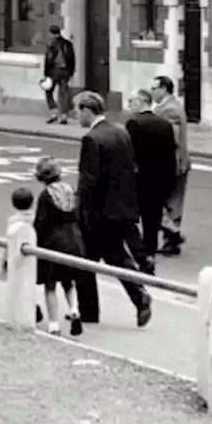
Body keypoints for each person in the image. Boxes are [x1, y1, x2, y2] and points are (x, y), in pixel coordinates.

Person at [71, 90, 153, 328]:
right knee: (116, 257)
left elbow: (88, 182)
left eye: (78, 111)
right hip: (120, 209)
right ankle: (139, 295)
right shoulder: (120, 132)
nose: (78, 117)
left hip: (97, 214)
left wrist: (80, 213)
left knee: (85, 262)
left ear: (87, 110)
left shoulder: (91, 139)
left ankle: (90, 312)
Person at [122, 88, 177, 275]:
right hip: (160, 179)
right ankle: (150, 254)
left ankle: (140, 254)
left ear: (141, 102)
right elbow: (171, 155)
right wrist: (169, 181)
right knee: (152, 220)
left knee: (129, 218)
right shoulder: (164, 124)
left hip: (139, 180)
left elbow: (130, 154)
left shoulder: (133, 123)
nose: (129, 106)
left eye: (132, 101)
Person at [31, 157, 86, 336]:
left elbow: (41, 222)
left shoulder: (46, 195)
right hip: (74, 239)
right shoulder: (70, 191)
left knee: (50, 284)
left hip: (54, 241)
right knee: (69, 282)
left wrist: (34, 242)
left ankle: (54, 324)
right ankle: (75, 311)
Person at [152, 75, 191, 256]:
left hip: (171, 163)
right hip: (178, 162)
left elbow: (170, 139)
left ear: (164, 89)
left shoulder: (169, 110)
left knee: (156, 200)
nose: (152, 92)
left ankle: (173, 234)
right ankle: (171, 240)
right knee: (172, 202)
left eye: (155, 88)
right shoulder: (173, 105)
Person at [42, 25, 76, 124]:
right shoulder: (68, 44)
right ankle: (64, 116)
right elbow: (72, 59)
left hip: (54, 71)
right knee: (64, 93)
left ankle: (54, 113)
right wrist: (71, 72)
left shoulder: (51, 44)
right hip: (65, 71)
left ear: (51, 34)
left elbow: (48, 60)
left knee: (48, 91)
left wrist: (46, 74)